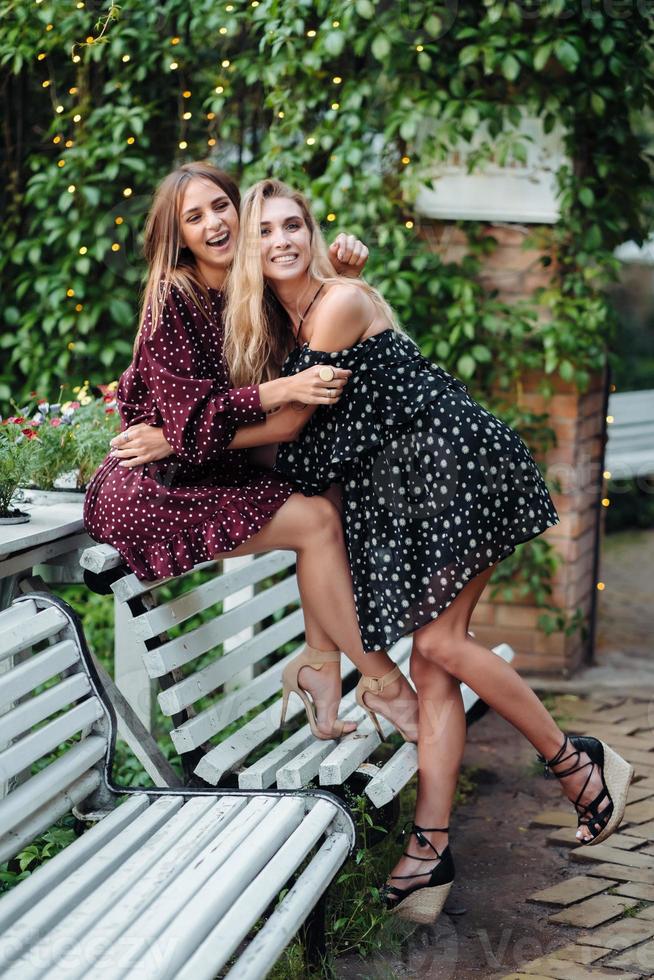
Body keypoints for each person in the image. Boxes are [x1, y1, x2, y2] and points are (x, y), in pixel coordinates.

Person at [222, 177, 635, 925]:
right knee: (433, 657)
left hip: (452, 465)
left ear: (313, 233)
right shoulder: (283, 331)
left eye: (293, 225)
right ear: (247, 248)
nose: (281, 240)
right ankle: (429, 851)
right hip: (409, 492)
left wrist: (191, 438)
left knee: (440, 642)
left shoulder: (338, 304)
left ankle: (577, 761)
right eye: (264, 230)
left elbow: (291, 435)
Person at [83, 161, 419, 744]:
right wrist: (279, 391)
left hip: (202, 462)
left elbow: (309, 331)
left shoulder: (248, 290)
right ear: (178, 236)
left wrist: (338, 275)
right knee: (315, 521)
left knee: (321, 493)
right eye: (195, 217)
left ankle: (320, 669)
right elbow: (201, 415)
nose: (214, 223)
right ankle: (388, 687)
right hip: (152, 485)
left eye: (221, 206)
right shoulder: (174, 297)